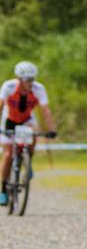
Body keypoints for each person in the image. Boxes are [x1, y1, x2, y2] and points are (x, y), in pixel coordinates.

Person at [1, 62, 57, 205]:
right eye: (27, 80)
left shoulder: (39, 89)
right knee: (8, 154)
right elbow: (0, 105)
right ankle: (2, 190)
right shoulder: (9, 86)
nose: (30, 83)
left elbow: (46, 110)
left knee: (33, 134)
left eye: (32, 79)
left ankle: (27, 160)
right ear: (19, 79)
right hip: (9, 119)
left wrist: (52, 130)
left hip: (27, 119)